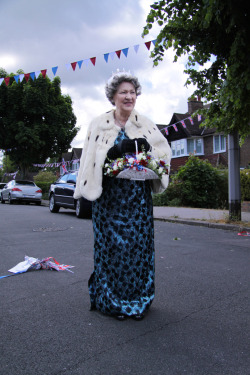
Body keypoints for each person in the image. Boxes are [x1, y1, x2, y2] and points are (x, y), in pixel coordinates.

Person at [74, 71, 171, 321]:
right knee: (112, 251)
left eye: (132, 92)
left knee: (138, 251)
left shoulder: (145, 123)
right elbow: (88, 160)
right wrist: (114, 151)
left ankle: (138, 301)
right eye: (123, 92)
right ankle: (112, 302)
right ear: (113, 97)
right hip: (108, 201)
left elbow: (164, 153)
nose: (129, 97)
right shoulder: (98, 124)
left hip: (138, 201)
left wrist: (150, 154)